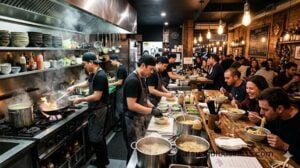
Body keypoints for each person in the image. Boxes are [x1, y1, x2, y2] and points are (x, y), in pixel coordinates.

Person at [67, 52, 109, 168]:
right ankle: (103, 160)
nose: (84, 66)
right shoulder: (93, 73)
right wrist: (74, 87)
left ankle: (102, 162)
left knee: (96, 138)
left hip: (99, 110)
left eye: (85, 64)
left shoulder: (100, 76)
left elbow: (96, 96)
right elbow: (87, 83)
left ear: (91, 62)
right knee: (97, 137)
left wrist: (81, 99)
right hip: (95, 109)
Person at [123, 55, 163, 162]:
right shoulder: (132, 80)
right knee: (134, 150)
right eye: (150, 69)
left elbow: (144, 99)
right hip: (132, 120)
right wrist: (151, 111)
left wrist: (153, 107)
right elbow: (131, 105)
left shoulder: (141, 78)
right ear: (143, 65)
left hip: (139, 118)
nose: (151, 72)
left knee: (140, 146)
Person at [258, 87, 300, 164]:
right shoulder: (275, 116)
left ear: (280, 109)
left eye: (265, 109)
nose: (261, 112)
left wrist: (284, 146)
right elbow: (270, 131)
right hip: (275, 156)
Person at [109, 54, 128, 129]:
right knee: (119, 105)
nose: (111, 63)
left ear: (115, 60)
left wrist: (109, 84)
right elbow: (116, 77)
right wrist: (108, 80)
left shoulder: (120, 68)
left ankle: (122, 123)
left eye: (111, 61)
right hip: (121, 88)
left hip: (121, 89)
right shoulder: (120, 67)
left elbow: (119, 82)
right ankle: (121, 122)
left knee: (119, 105)